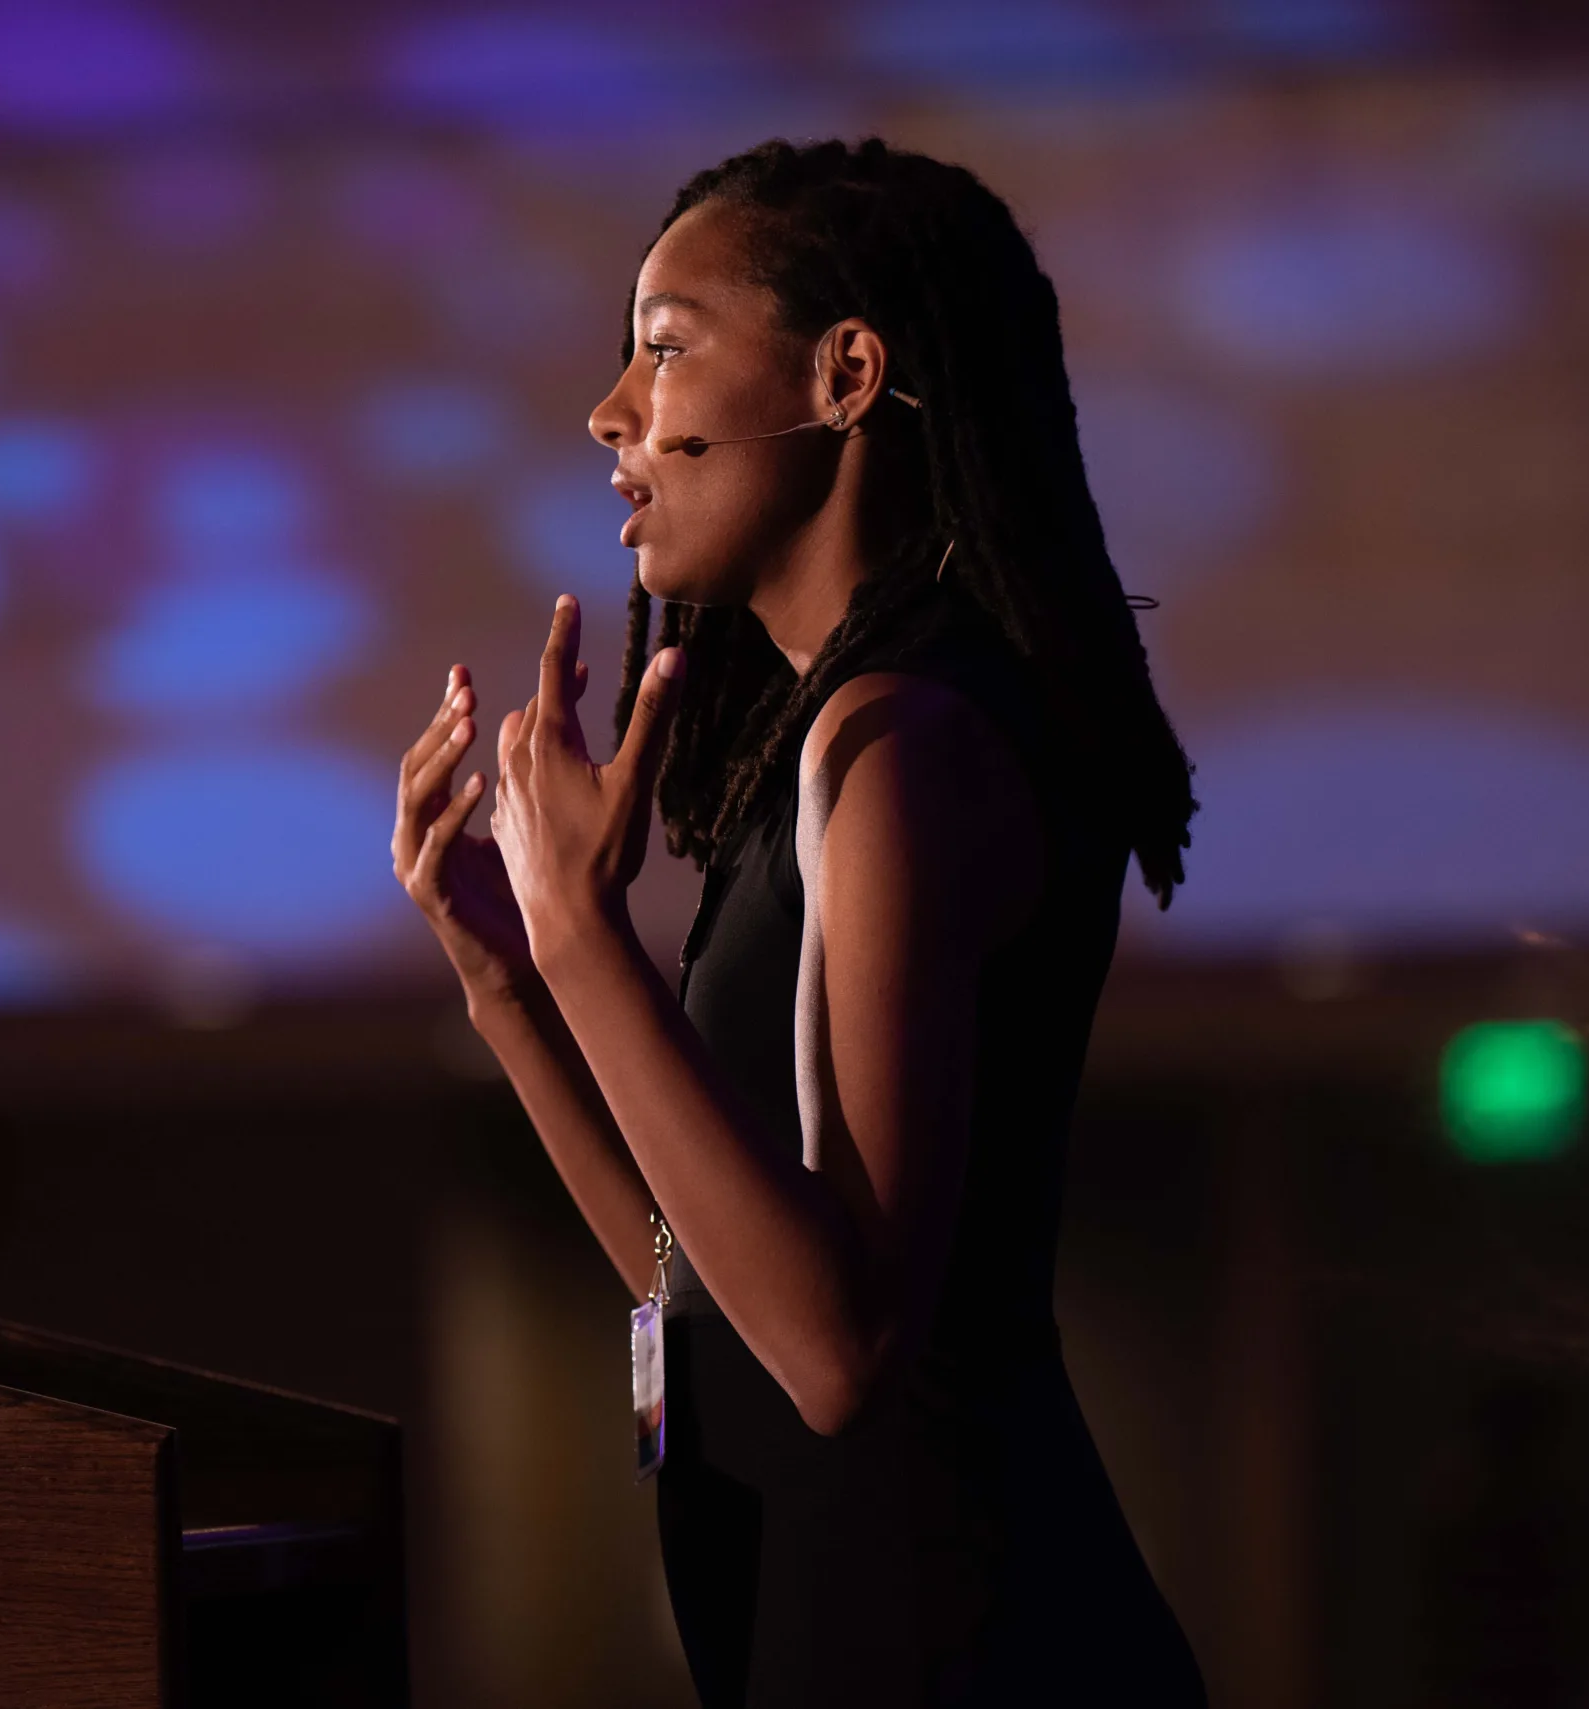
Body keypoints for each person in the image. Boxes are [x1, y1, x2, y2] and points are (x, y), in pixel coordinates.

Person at [390, 138, 1209, 1706]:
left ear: (846, 376)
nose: (611, 411)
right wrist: (510, 980)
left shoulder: (901, 743)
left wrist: (585, 937)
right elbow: (689, 1277)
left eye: (665, 345)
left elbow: (838, 1351)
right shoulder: (837, 745)